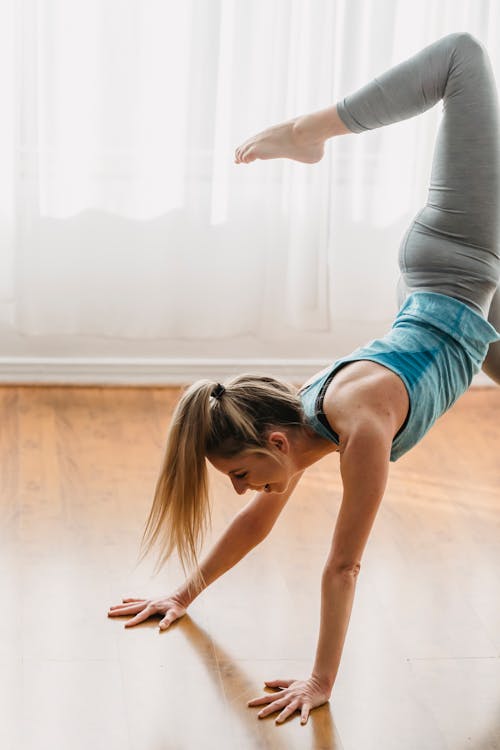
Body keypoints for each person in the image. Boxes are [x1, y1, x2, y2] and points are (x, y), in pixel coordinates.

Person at [109, 33, 500, 726]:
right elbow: (255, 526)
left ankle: (306, 132)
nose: (240, 490)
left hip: (463, 252)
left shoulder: (359, 425)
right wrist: (183, 595)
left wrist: (322, 680)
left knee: (462, 58)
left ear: (274, 442)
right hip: (463, 300)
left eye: (236, 472)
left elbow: (342, 567)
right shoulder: (309, 420)